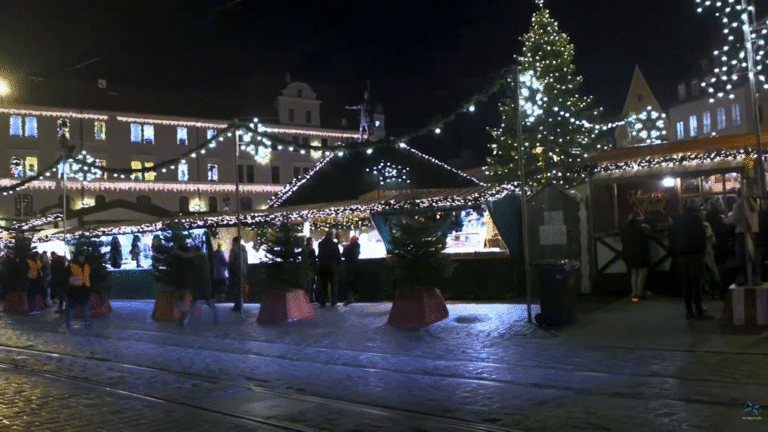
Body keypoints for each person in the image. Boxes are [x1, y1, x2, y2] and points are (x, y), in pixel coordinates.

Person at [670, 199, 713, 320]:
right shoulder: (697, 218)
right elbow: (701, 237)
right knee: (697, 283)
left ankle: (688, 310)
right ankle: (698, 309)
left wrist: (675, 252)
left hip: (681, 255)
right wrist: (703, 252)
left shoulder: (678, 219)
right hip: (695, 254)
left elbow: (672, 236)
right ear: (695, 208)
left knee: (686, 283)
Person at [724, 188, 759, 285]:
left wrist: (724, 220)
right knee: (752, 255)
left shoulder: (738, 204)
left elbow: (734, 220)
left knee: (741, 256)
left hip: (741, 233)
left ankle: (742, 277)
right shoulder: (753, 204)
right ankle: (754, 277)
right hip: (752, 232)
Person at [620, 210, 652, 303]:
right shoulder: (641, 227)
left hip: (628, 254)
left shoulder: (624, 228)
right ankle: (640, 293)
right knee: (642, 272)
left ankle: (634, 293)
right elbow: (649, 235)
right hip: (640, 254)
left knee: (634, 272)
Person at [183, 245, 218, 326]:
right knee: (207, 301)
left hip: (198, 285)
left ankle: (190, 320)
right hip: (205, 284)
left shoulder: (196, 260)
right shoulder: (204, 259)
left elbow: (194, 273)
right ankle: (215, 317)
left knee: (195, 302)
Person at [66, 254, 92, 329]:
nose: (82, 258)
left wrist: (90, 286)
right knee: (71, 307)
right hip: (74, 289)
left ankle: (86, 321)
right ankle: (69, 322)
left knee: (85, 306)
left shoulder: (86, 265)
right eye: (80, 256)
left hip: (84, 289)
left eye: (83, 256)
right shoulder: (71, 266)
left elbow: (89, 276)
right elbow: (66, 277)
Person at [316, 230, 341, 307]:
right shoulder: (334, 244)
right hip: (332, 267)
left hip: (322, 266)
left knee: (323, 284)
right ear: (332, 235)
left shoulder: (320, 244)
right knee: (333, 284)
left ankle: (323, 300)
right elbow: (338, 256)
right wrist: (337, 265)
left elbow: (319, 255)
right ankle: (334, 300)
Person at [228, 236, 248, 312]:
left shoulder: (234, 249)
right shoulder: (244, 248)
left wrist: (230, 270)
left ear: (234, 241)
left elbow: (231, 261)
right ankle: (240, 303)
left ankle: (237, 305)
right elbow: (246, 260)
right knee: (241, 288)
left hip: (236, 271)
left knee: (237, 288)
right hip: (243, 270)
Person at [341, 236, 361, 306]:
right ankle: (354, 296)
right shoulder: (357, 246)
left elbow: (343, 255)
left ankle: (349, 297)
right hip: (355, 265)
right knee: (354, 281)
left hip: (347, 266)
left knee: (348, 282)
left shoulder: (347, 247)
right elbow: (357, 254)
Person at [303, 237, 317, 302]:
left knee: (306, 283)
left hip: (305, 269)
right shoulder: (311, 250)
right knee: (311, 284)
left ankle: (305, 297)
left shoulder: (304, 249)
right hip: (310, 269)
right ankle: (310, 297)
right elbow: (313, 260)